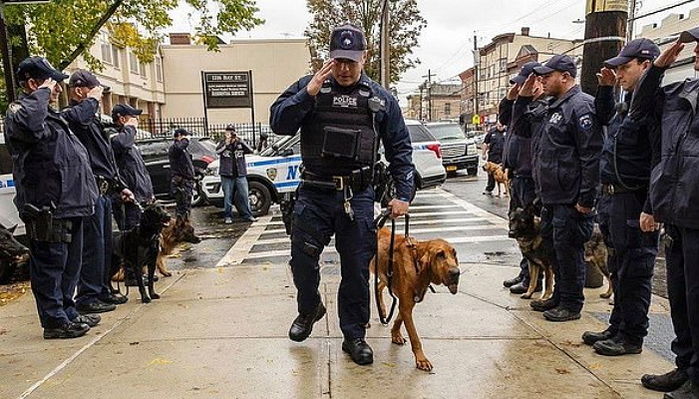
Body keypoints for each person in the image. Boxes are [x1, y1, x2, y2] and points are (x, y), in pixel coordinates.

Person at [270, 23, 413, 366]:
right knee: (302, 261)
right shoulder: (309, 86)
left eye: (352, 60)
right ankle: (309, 309)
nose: (345, 68)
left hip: (358, 195)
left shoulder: (380, 99)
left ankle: (354, 335)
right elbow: (279, 122)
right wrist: (308, 95)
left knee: (355, 269)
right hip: (315, 193)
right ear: (330, 58)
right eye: (339, 60)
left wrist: (403, 194)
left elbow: (400, 149)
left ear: (364, 57)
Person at [5, 57, 99, 338]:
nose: (58, 89)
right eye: (51, 83)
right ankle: (54, 320)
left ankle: (66, 309)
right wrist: (41, 93)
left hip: (71, 203)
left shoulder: (50, 115)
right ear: (33, 84)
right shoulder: (20, 111)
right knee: (50, 264)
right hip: (48, 205)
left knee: (71, 263)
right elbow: (31, 127)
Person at [578, 39, 661, 358]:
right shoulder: (626, 99)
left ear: (647, 65)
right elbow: (603, 119)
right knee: (618, 266)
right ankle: (617, 326)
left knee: (635, 270)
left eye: (626, 67)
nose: (620, 72)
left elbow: (658, 157)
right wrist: (606, 89)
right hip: (613, 198)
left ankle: (631, 336)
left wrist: (652, 206)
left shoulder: (653, 102)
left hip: (635, 198)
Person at [632, 29, 699, 398]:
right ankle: (686, 365)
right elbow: (639, 108)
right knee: (681, 296)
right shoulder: (681, 91)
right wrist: (657, 69)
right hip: (676, 210)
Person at [529, 55, 603, 322]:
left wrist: (586, 198)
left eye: (547, 76)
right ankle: (560, 295)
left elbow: (591, 156)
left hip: (571, 198)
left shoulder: (581, 107)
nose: (542, 81)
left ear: (565, 76)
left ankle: (572, 303)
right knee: (555, 248)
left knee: (570, 251)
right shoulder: (556, 106)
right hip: (553, 197)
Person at [63, 70, 132, 314]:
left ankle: (101, 288)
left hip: (104, 188)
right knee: (91, 246)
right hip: (89, 188)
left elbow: (106, 157)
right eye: (95, 91)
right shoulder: (73, 115)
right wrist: (91, 100)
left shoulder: (91, 119)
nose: (99, 98)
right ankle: (87, 295)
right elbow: (79, 119)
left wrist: (120, 184)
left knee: (103, 245)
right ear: (80, 90)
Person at [498, 62, 546, 295]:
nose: (520, 87)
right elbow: (506, 118)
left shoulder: (540, 107)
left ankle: (532, 277)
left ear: (538, 82)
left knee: (529, 229)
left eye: (524, 83)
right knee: (518, 226)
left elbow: (518, 123)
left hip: (530, 176)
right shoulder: (522, 106)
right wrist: (510, 98)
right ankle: (525, 269)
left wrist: (523, 100)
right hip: (518, 174)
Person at [110, 104, 154, 230]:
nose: (137, 121)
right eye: (133, 117)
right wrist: (130, 127)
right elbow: (121, 144)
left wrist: (149, 193)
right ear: (122, 119)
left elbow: (141, 171)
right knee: (132, 237)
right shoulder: (113, 136)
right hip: (128, 199)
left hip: (141, 197)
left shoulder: (130, 142)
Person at [216, 125, 256, 223]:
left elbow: (250, 150)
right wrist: (226, 143)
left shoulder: (239, 143)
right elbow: (217, 151)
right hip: (227, 174)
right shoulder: (222, 142)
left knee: (244, 195)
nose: (230, 134)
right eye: (228, 131)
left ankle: (248, 215)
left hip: (240, 173)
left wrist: (240, 140)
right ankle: (228, 216)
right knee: (228, 196)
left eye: (232, 132)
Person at [168, 128, 197, 228]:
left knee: (186, 206)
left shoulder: (182, 149)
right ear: (179, 135)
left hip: (186, 181)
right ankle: (181, 228)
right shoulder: (175, 148)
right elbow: (178, 148)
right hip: (181, 182)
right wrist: (185, 140)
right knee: (182, 208)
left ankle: (185, 226)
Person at [482, 122, 505, 195]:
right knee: (491, 174)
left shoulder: (508, 131)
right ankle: (489, 188)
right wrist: (483, 153)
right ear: (497, 125)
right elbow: (485, 143)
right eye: (499, 125)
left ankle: (508, 189)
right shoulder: (491, 132)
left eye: (502, 125)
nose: (501, 127)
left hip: (504, 157)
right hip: (493, 157)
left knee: (506, 174)